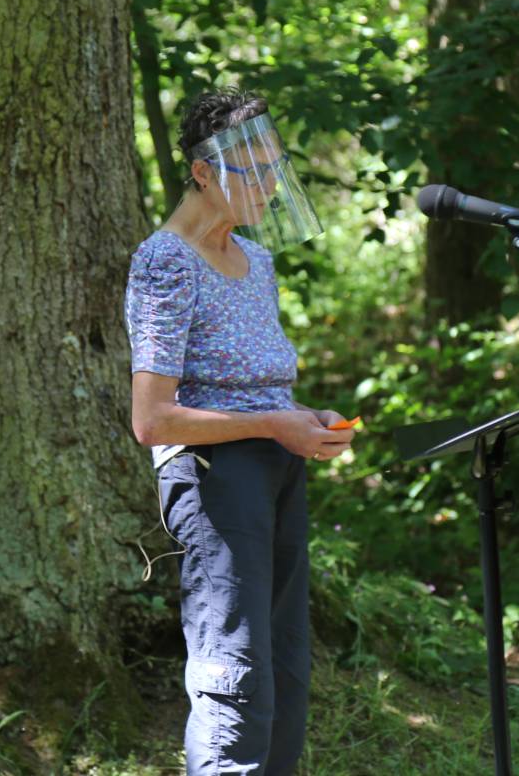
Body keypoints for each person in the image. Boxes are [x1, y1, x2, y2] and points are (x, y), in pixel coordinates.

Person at [125, 88, 358, 775]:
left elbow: (258, 388)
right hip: (213, 482)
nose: (270, 184)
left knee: (285, 667)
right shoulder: (166, 260)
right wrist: (272, 424)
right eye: (252, 169)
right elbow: (151, 420)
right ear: (202, 172)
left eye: (274, 168)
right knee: (236, 672)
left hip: (278, 472)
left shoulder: (258, 263)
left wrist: (305, 420)